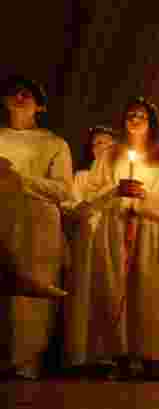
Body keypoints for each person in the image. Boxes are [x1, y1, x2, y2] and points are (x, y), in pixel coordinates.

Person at [72, 97, 159, 380]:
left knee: (148, 292)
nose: (135, 119)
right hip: (115, 229)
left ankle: (148, 355)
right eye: (131, 114)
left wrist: (146, 198)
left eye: (142, 116)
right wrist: (114, 192)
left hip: (149, 233)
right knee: (113, 287)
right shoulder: (109, 157)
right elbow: (90, 195)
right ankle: (117, 353)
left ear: (152, 123)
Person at [0, 75, 73, 378]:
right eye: (14, 93)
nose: (20, 98)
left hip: (38, 225)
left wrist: (20, 179)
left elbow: (63, 190)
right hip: (4, 221)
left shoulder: (54, 143)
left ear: (39, 105)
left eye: (27, 94)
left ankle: (28, 363)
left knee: (33, 292)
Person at [63, 124, 116, 371]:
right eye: (97, 143)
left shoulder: (118, 176)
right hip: (87, 236)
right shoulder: (82, 177)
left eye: (107, 143)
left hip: (111, 237)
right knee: (84, 292)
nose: (102, 148)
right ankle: (80, 354)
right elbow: (73, 204)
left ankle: (108, 352)